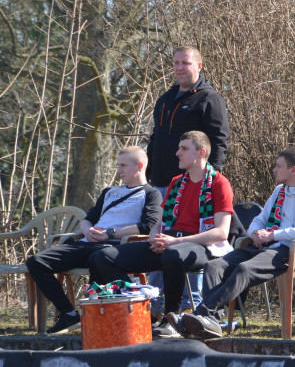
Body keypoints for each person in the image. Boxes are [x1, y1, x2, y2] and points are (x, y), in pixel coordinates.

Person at [175, 146, 295, 340]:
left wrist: (273, 235)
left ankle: (202, 314)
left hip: (291, 251)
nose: (274, 169)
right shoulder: (278, 191)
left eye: (278, 166)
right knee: (214, 265)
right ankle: (211, 321)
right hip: (263, 246)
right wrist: (256, 233)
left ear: (294, 170)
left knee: (243, 269)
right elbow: (259, 219)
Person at [89, 131, 235, 338]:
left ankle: (172, 318)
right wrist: (154, 239)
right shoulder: (177, 182)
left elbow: (221, 232)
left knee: (172, 254)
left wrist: (174, 241)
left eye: (183, 149)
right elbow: (158, 224)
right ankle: (139, 310)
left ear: (201, 152)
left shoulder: (219, 183)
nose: (177, 153)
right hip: (168, 241)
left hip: (202, 246)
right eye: (179, 148)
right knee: (103, 257)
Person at [25, 147, 161, 335]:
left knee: (99, 258)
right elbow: (88, 219)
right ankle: (69, 314)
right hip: (87, 243)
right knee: (36, 261)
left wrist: (110, 233)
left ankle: (127, 315)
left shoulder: (150, 194)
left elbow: (148, 226)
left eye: (123, 166)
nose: (118, 170)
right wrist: (88, 230)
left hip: (114, 248)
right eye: (117, 166)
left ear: (139, 166)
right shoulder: (109, 192)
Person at [146, 46, 231, 310]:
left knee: (190, 239)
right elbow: (156, 137)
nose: (180, 68)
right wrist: (150, 171)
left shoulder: (208, 98)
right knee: (161, 241)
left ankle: (190, 302)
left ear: (199, 66)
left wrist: (208, 178)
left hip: (196, 184)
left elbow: (219, 140)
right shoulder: (165, 99)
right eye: (176, 63)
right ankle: (156, 300)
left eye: (185, 63)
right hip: (163, 183)